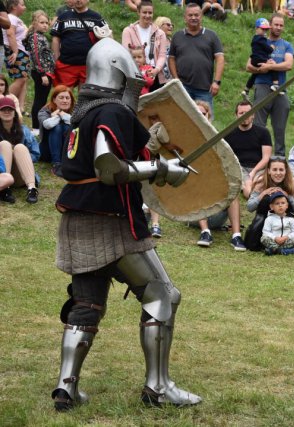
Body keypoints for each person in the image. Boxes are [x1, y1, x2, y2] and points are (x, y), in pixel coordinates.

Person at [50, 38, 200, 411]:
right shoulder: (113, 112)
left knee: (86, 303)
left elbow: (111, 155)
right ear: (120, 75)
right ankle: (158, 387)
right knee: (162, 295)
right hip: (110, 221)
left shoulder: (83, 114)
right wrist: (162, 168)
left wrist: (151, 149)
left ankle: (66, 387)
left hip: (78, 220)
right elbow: (107, 166)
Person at [223, 100, 272, 251]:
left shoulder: (263, 132)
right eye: (241, 113)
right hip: (238, 168)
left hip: (258, 168)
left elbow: (266, 158)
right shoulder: (229, 133)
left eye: (248, 113)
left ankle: (251, 193)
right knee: (246, 189)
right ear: (236, 115)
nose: (245, 116)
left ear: (253, 115)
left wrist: (253, 172)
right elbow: (226, 158)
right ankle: (248, 191)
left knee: (251, 187)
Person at [246, 13, 294, 157]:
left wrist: (271, 67)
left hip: (280, 88)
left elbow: (289, 64)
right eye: (276, 24)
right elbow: (248, 66)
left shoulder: (286, 45)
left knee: (279, 127)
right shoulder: (260, 41)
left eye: (281, 25)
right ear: (269, 25)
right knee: (259, 125)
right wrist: (262, 68)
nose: (278, 28)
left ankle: (279, 157)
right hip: (262, 85)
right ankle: (257, 155)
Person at [169, 3, 224, 115]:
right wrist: (176, 79)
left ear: (201, 16)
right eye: (190, 15)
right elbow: (171, 59)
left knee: (205, 123)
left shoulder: (211, 35)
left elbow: (220, 58)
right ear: (185, 17)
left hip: (205, 89)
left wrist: (216, 82)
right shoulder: (177, 36)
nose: (193, 18)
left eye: (196, 15)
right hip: (183, 88)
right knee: (182, 118)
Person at [244, 156, 294, 251]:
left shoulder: (292, 182)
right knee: (251, 245)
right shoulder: (261, 181)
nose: (278, 173)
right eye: (274, 170)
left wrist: (288, 196)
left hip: (285, 220)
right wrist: (263, 194)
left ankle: (279, 244)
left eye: (281, 170)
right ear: (269, 171)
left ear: (286, 171)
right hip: (264, 220)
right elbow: (250, 207)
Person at [51, 0, 107, 89]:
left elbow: (108, 37)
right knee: (64, 95)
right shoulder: (63, 17)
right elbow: (55, 38)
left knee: (85, 97)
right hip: (66, 64)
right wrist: (57, 58)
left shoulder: (96, 17)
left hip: (88, 65)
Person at [121, 0, 169, 92]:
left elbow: (162, 55)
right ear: (138, 12)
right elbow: (126, 54)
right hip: (135, 73)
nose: (147, 15)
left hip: (155, 74)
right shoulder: (128, 31)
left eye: (150, 13)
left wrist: (156, 70)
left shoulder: (160, 33)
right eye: (144, 12)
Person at [0, 96, 39, 204]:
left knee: (19, 147)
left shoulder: (25, 131)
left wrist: (16, 156)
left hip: (20, 173)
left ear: (14, 112)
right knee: (5, 145)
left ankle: (32, 189)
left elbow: (36, 155)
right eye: (3, 109)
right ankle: (5, 189)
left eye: (10, 109)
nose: (6, 111)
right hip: (1, 174)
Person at [25, 10, 55, 131]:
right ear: (34, 23)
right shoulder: (35, 37)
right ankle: (36, 128)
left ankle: (38, 127)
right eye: (41, 22)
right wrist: (43, 74)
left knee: (42, 98)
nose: (45, 25)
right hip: (41, 72)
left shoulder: (40, 36)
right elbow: (36, 56)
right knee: (39, 99)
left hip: (46, 72)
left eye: (47, 23)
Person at [38, 85, 74, 176]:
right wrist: (58, 116)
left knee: (67, 127)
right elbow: (47, 125)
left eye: (67, 98)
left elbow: (77, 122)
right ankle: (56, 164)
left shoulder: (75, 110)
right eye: (61, 98)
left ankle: (67, 161)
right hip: (47, 150)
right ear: (54, 99)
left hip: (69, 151)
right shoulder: (44, 111)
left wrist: (61, 114)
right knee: (57, 127)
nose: (65, 101)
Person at [242, 18, 280, 101]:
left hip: (254, 59)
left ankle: (246, 89)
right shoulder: (261, 39)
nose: (264, 32)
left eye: (266, 30)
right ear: (256, 28)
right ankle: (276, 85)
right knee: (273, 66)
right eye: (262, 29)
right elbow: (268, 49)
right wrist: (272, 47)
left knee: (254, 74)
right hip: (259, 59)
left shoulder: (254, 38)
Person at [3, 0, 28, 112]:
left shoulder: (16, 19)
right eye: (22, 5)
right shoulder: (11, 18)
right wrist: (15, 52)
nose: (25, 7)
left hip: (21, 51)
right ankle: (4, 102)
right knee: (21, 79)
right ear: (13, 6)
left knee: (23, 78)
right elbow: (10, 33)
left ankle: (20, 108)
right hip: (16, 51)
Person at [154, 16, 174, 86]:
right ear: (159, 25)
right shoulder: (155, 41)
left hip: (170, 77)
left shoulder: (171, 41)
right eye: (168, 25)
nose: (171, 27)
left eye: (172, 25)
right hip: (157, 76)